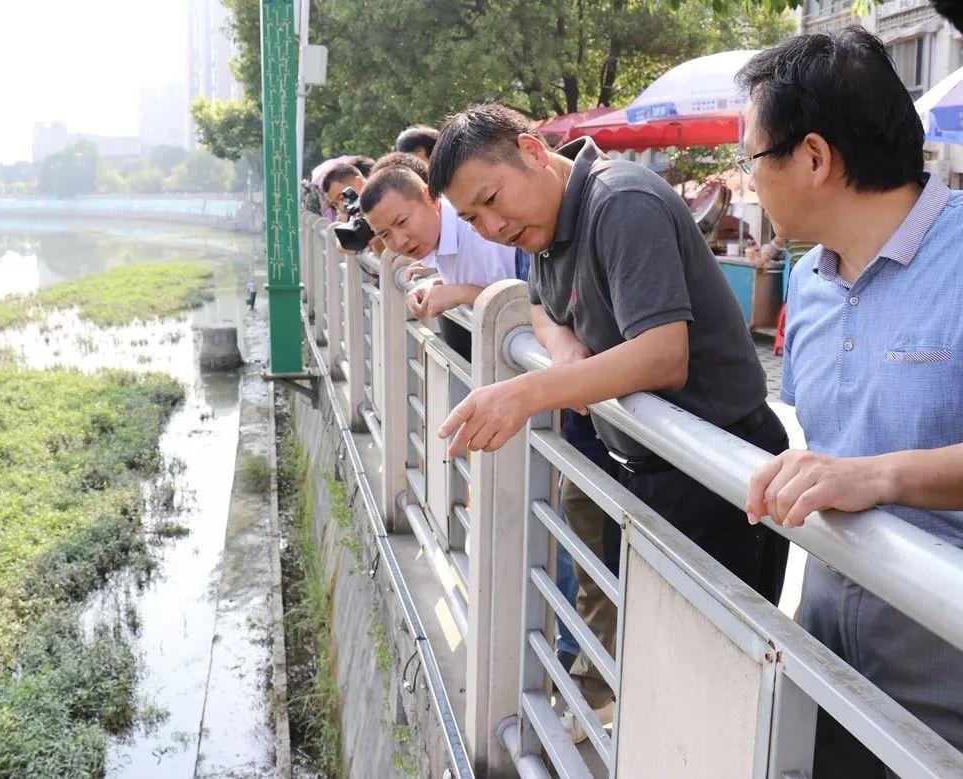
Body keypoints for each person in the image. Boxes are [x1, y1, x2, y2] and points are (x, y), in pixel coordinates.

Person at [428, 102, 790, 602]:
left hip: (717, 471)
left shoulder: (620, 201)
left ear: (532, 152)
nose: (492, 226)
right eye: (472, 219)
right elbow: (540, 307)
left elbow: (663, 354)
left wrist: (526, 392)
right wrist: (564, 348)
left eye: (491, 199)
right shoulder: (545, 225)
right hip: (642, 466)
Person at [737, 28, 963, 776]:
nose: (747, 182)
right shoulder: (807, 281)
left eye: (750, 159)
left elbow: (860, 469)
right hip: (825, 655)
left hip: (944, 686)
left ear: (812, 157)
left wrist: (882, 474)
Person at [358, 166, 516, 360]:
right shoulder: (440, 236)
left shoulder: (480, 229)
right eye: (384, 235)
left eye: (402, 222)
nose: (399, 241)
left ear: (429, 197)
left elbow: (527, 304)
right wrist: (440, 283)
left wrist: (461, 292)